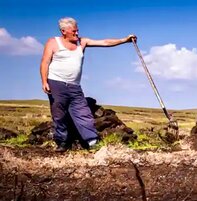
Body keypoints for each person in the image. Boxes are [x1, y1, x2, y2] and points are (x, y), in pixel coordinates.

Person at [40, 17, 135, 152]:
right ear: (63, 31)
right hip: (56, 83)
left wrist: (124, 40)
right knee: (59, 114)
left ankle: (92, 141)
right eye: (74, 31)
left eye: (77, 30)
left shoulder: (82, 42)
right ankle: (62, 142)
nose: (77, 33)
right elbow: (45, 62)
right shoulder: (53, 42)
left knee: (83, 112)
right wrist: (44, 81)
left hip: (74, 86)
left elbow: (105, 42)